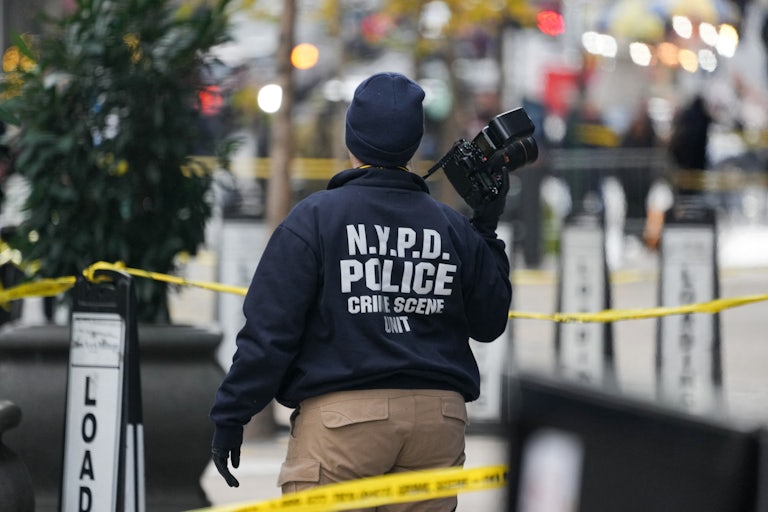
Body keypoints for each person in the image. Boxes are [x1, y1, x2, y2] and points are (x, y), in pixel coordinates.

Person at [209, 71, 512, 511]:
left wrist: (232, 413)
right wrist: (485, 227)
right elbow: (490, 321)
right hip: (438, 423)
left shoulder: (314, 220)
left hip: (343, 423)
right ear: (414, 144)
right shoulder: (450, 227)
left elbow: (270, 332)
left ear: (351, 138)